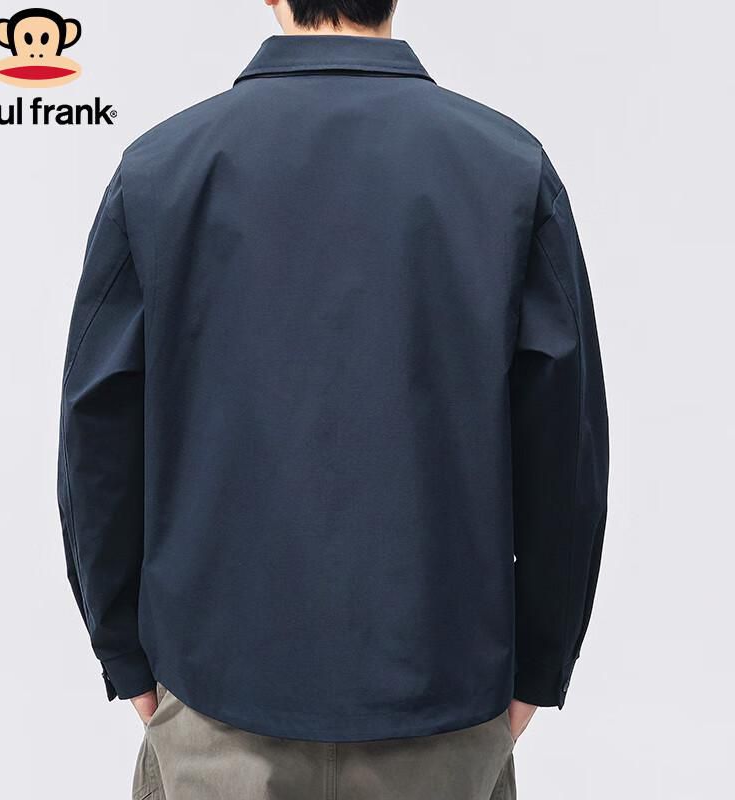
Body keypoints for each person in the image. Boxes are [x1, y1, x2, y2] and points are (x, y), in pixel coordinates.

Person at [57, 1, 609, 797]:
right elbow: (566, 452)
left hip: (215, 699)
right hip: (445, 700)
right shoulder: (509, 168)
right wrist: (540, 666)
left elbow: (96, 439)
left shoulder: (160, 170)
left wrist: (126, 656)